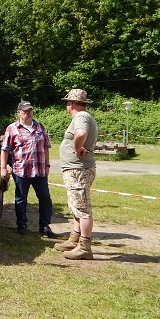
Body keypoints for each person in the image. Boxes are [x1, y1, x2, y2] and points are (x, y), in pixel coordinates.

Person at [0, 101, 58, 237]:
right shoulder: (12, 128)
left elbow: (46, 148)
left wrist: (47, 165)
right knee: (21, 199)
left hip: (39, 171)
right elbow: (5, 150)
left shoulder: (40, 126)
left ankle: (44, 226)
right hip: (21, 170)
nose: (28, 113)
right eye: (25, 111)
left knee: (45, 198)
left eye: (30, 111)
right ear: (18, 112)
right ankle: (22, 225)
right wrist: (3, 168)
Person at [54, 89, 98, 260]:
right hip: (77, 169)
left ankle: (85, 247)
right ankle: (75, 239)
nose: (67, 105)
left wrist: (77, 148)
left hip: (78, 169)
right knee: (76, 205)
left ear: (71, 104)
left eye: (67, 102)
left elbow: (81, 133)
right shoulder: (84, 117)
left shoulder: (81, 117)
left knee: (82, 208)